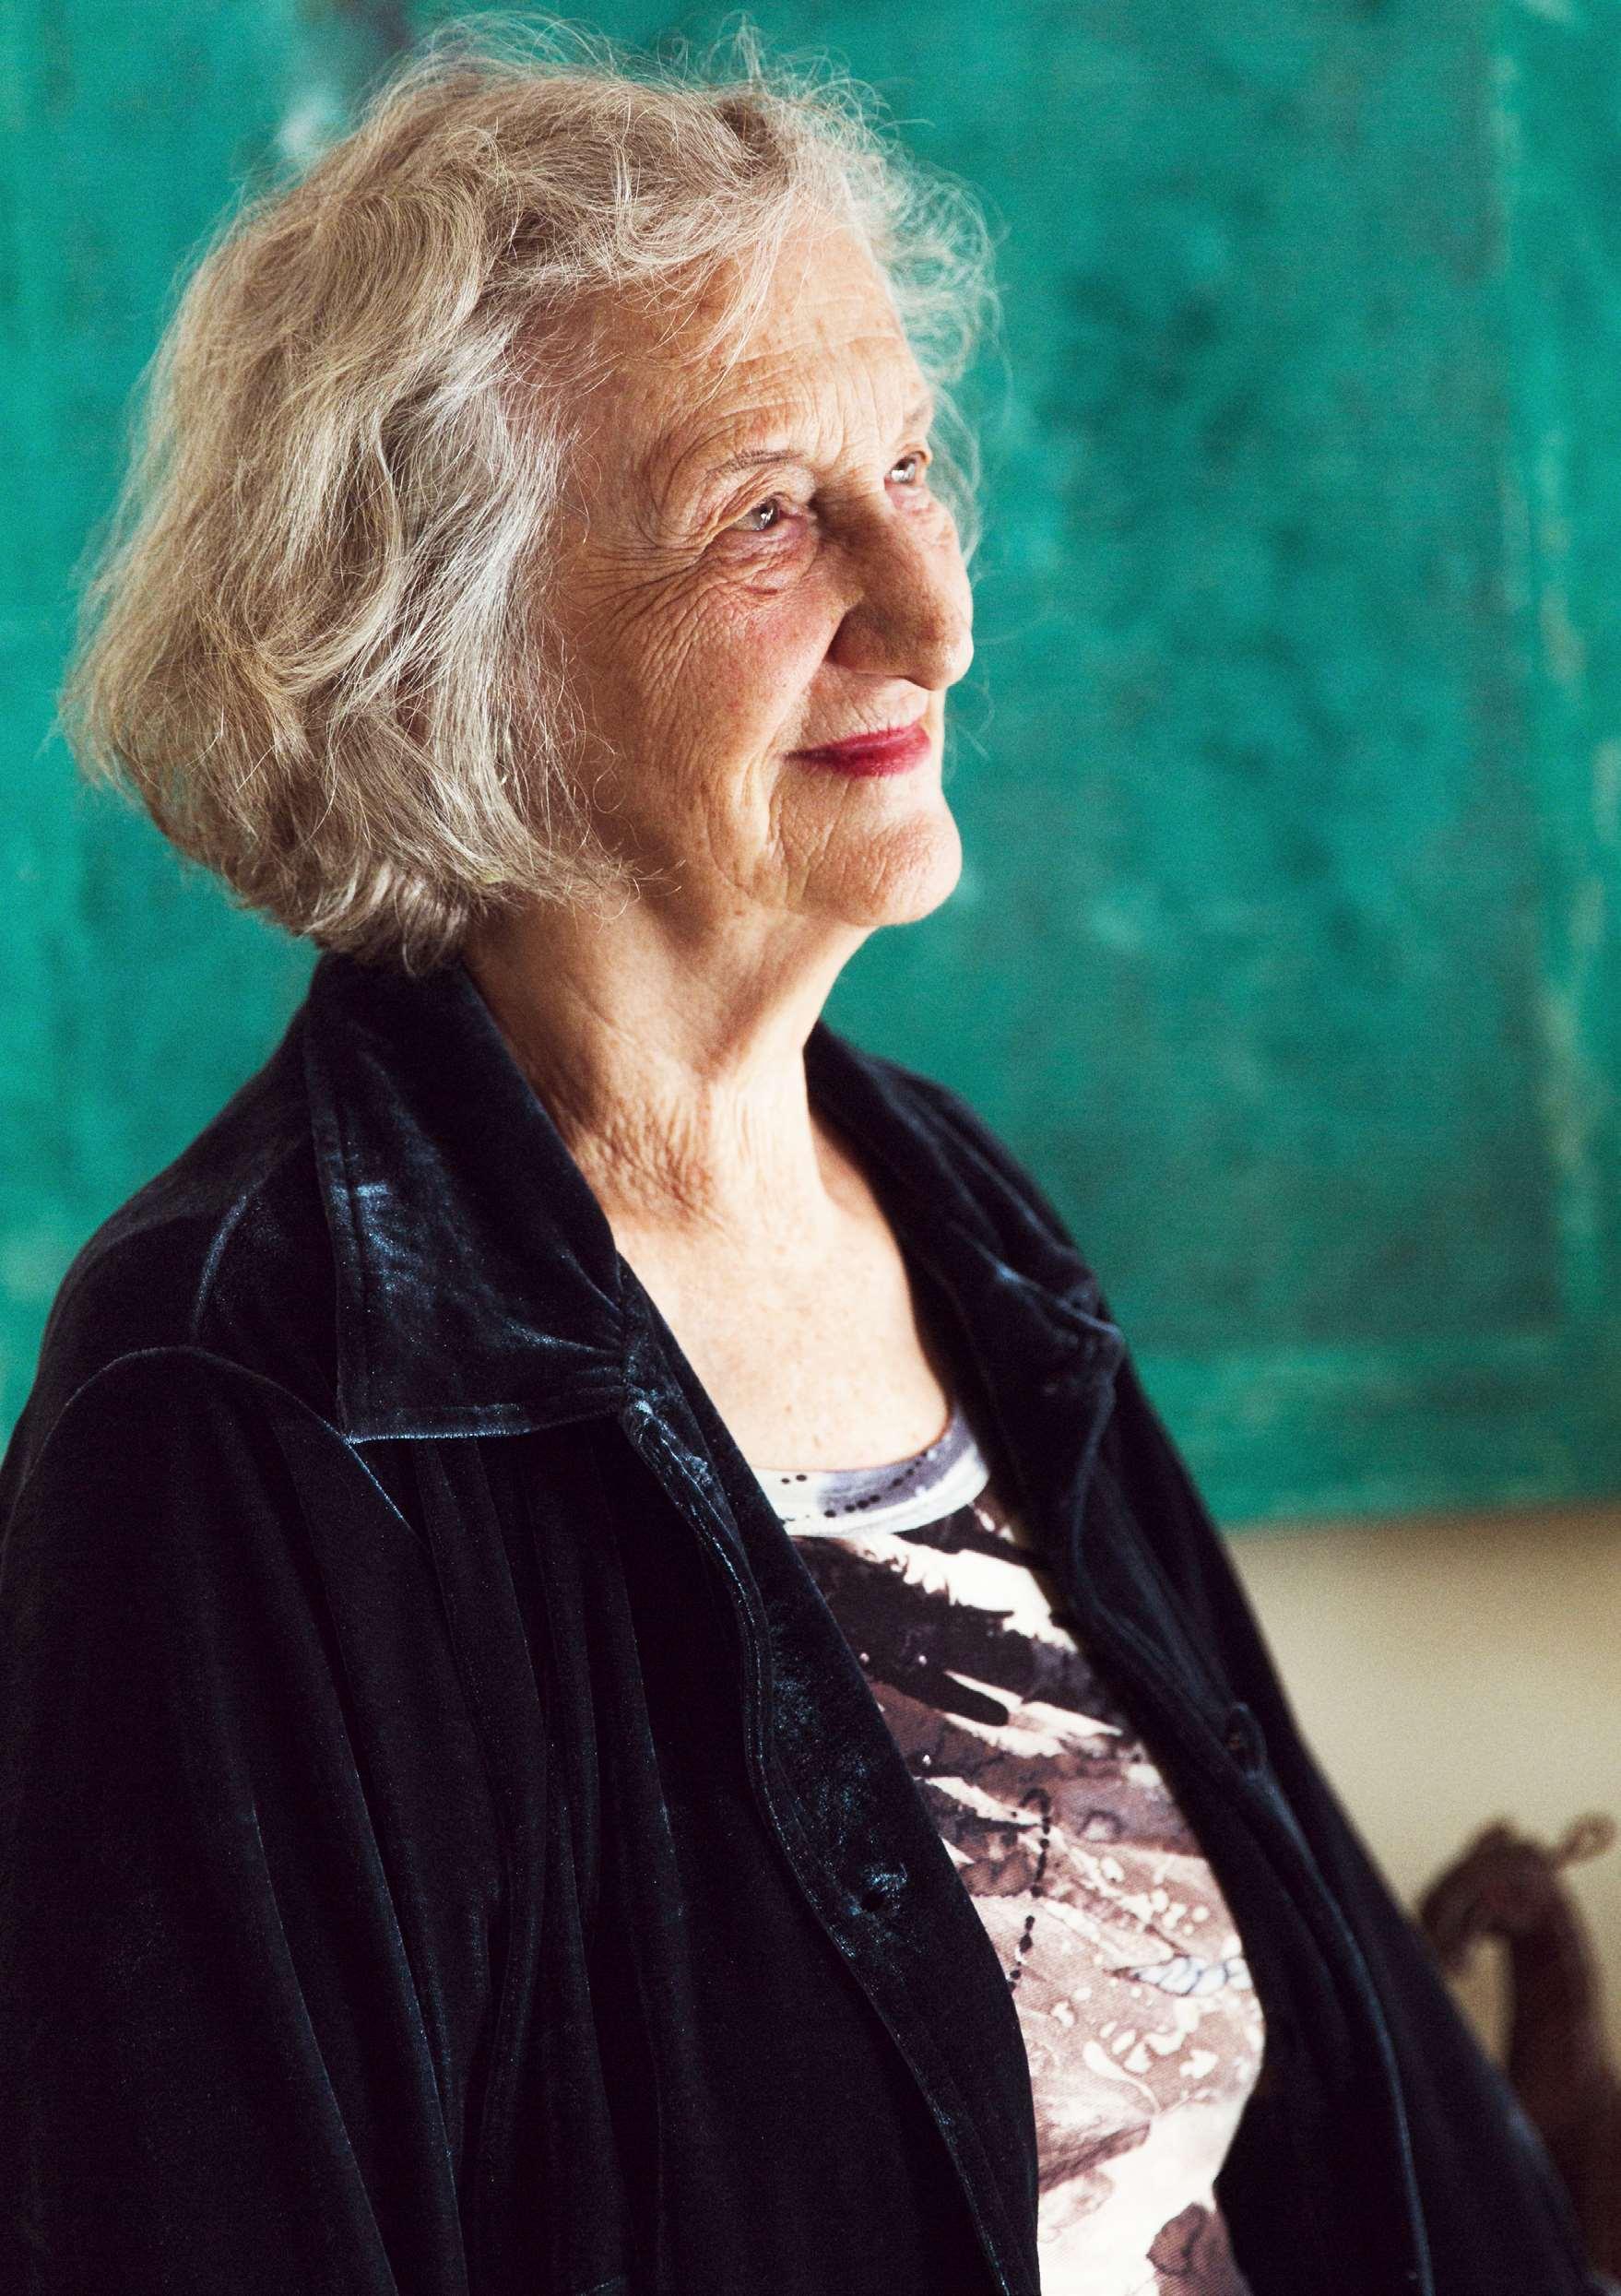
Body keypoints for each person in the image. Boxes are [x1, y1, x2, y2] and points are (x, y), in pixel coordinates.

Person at [0, 18, 1603, 2295]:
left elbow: (1374, 2094)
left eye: (911, 466)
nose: (937, 609)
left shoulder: (941, 1201)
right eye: (768, 511)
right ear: (444, 643)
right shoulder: (239, 1394)